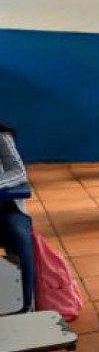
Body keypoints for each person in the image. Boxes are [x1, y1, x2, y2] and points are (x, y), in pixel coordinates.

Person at [0, 123, 34, 310]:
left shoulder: (2, 136)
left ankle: (25, 305)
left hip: (5, 208)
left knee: (20, 236)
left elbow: (19, 172)